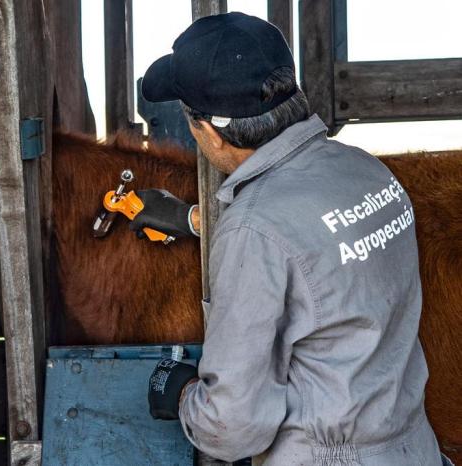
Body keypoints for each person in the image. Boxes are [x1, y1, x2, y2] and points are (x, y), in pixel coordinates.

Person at [137, 12, 452, 466]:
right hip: (412, 448)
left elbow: (233, 428)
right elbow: (320, 247)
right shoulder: (368, 171)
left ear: (208, 130)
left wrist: (183, 393)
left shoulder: (253, 228)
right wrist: (191, 219)